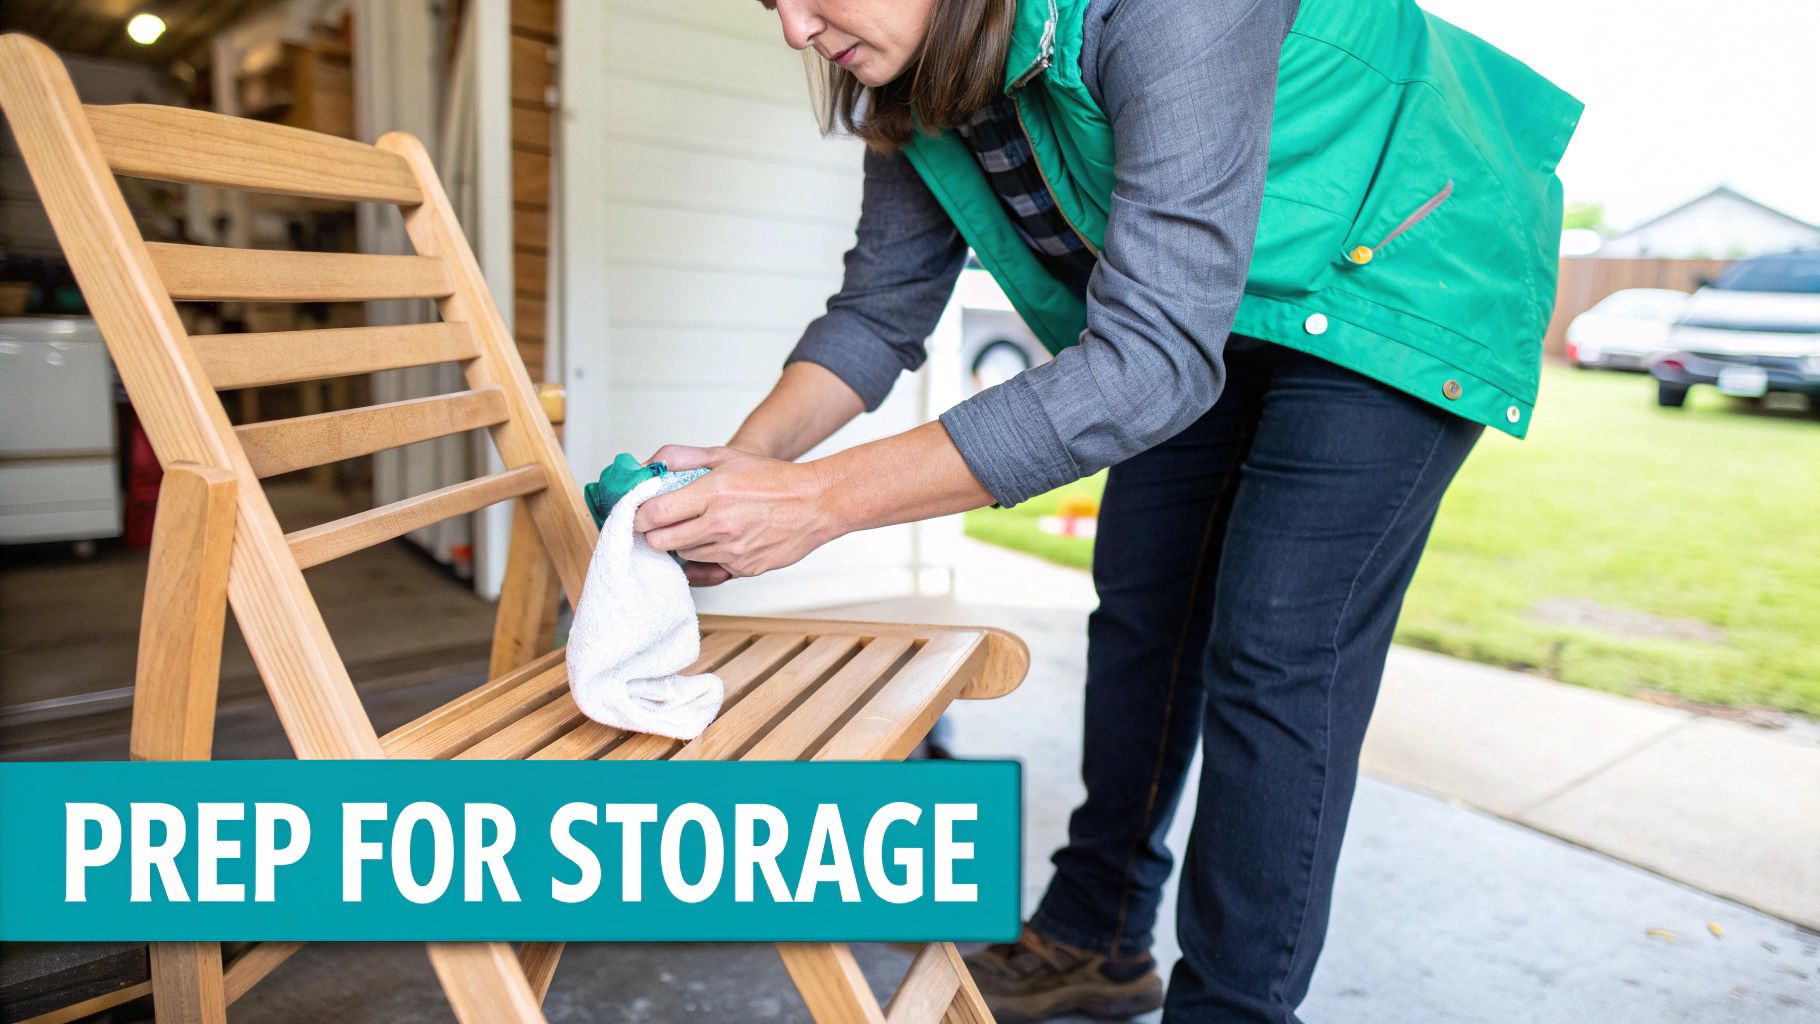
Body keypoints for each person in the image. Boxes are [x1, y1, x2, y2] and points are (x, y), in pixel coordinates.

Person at [634, 0, 1580, 1019]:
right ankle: (1096, 931)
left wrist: (819, 502)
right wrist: (745, 463)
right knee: (1142, 611)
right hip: (1206, 307)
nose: (791, 29)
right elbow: (878, 307)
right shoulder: (915, 74)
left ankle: (1230, 1007)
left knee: (1274, 642)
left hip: (1396, 270)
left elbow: (1148, 364)